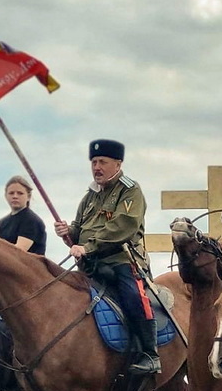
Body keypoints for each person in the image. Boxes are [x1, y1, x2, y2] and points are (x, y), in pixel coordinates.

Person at [54, 139, 160, 375]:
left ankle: (149, 354)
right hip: (90, 265)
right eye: (93, 162)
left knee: (133, 296)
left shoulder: (130, 190)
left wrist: (87, 247)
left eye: (103, 162)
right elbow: (79, 229)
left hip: (121, 261)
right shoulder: (90, 196)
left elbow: (123, 226)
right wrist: (67, 233)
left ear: (118, 164)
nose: (97, 167)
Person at [0, 175, 47, 255]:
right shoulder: (2, 222)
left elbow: (18, 252)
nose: (15, 196)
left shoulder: (31, 220)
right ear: (6, 196)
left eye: (20, 193)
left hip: (29, 266)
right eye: (11, 193)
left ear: (28, 197)